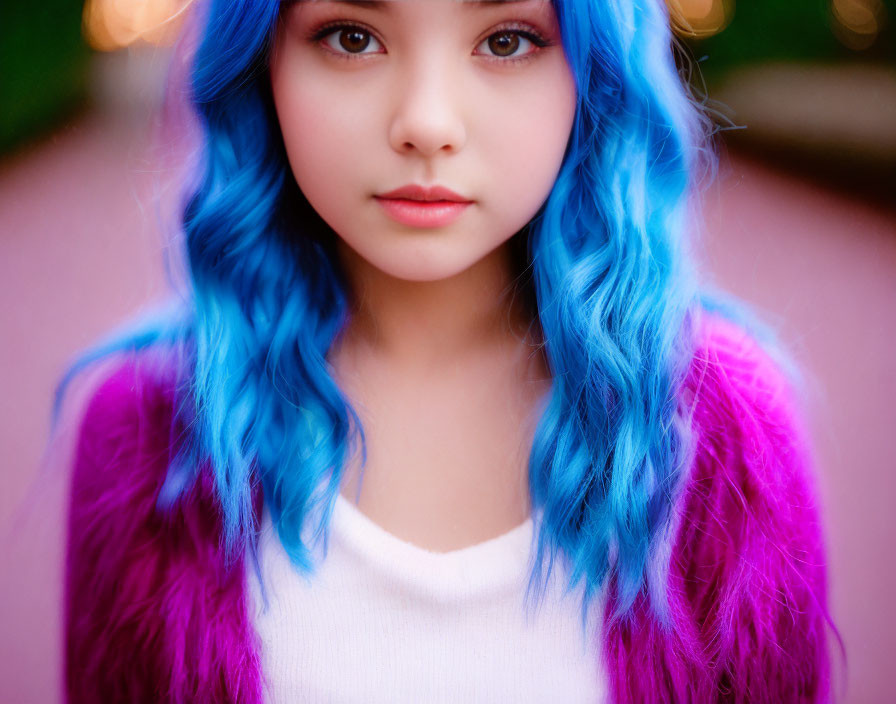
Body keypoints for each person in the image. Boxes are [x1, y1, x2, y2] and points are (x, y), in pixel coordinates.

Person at [58, 0, 837, 701]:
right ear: (263, 63)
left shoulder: (723, 431)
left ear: (591, 72)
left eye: (505, 40)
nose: (426, 122)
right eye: (352, 37)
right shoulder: (147, 434)